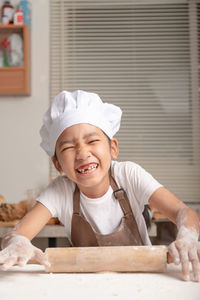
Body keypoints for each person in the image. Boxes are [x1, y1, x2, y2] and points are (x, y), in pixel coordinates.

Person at [0, 90, 199, 281]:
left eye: (92, 140)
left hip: (143, 279)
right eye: (68, 147)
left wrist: (187, 236)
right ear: (57, 164)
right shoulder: (61, 190)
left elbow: (184, 212)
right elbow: (15, 235)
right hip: (86, 284)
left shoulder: (128, 175)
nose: (82, 153)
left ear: (113, 148)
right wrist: (18, 243)